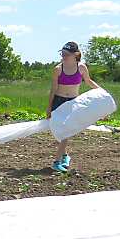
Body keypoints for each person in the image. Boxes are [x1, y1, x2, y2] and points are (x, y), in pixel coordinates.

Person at [47, 41, 101, 173]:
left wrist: (101, 91)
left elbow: (88, 81)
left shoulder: (81, 68)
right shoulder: (58, 69)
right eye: (62, 53)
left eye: (66, 54)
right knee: (61, 133)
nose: (63, 56)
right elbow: (53, 89)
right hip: (59, 102)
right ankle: (64, 156)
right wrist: (49, 107)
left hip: (73, 102)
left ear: (75, 54)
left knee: (66, 132)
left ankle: (57, 161)